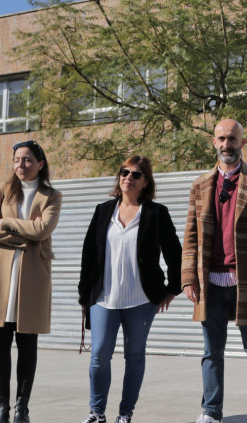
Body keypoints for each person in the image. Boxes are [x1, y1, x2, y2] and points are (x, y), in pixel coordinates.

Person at [181, 119, 247, 423]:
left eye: (232, 139)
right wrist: (187, 277)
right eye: (221, 139)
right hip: (209, 283)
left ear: (242, 143)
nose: (227, 145)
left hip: (246, 280)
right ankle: (211, 411)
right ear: (214, 142)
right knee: (212, 352)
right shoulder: (200, 184)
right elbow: (190, 235)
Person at [77, 156, 183, 423]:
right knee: (100, 354)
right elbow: (89, 253)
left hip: (142, 299)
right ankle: (96, 412)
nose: (128, 178)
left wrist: (172, 289)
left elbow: (175, 253)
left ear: (145, 181)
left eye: (135, 174)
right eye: (124, 172)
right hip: (103, 298)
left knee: (134, 356)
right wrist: (84, 294)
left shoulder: (156, 213)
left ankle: (125, 414)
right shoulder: (103, 210)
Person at [0, 139, 63, 423]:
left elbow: (44, 229)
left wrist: (8, 223)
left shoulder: (52, 195)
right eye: (16, 160)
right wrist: (26, 233)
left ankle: (22, 408)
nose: (20, 165)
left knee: (27, 342)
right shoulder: (1, 190)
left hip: (33, 273)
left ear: (40, 163)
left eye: (26, 160)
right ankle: (2, 408)